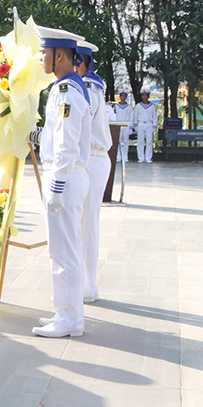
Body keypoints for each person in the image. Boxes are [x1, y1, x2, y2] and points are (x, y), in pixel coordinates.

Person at [33, 26, 90, 338]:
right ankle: (65, 313)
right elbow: (58, 135)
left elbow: (68, 145)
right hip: (64, 176)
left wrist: (56, 187)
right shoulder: (64, 88)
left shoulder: (67, 91)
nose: (40, 58)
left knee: (64, 252)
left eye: (44, 52)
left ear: (59, 56)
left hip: (64, 178)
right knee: (63, 251)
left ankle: (69, 320)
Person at [76, 39, 107, 305]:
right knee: (82, 223)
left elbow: (78, 125)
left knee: (87, 224)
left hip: (93, 158)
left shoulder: (87, 87)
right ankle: (83, 282)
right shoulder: (89, 85)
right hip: (90, 159)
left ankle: (88, 284)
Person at [133, 89, 157, 163]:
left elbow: (155, 116)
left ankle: (148, 157)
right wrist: (136, 125)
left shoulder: (152, 106)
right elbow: (135, 116)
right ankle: (140, 157)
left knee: (149, 141)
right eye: (143, 95)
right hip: (140, 124)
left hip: (149, 124)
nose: (144, 97)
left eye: (146, 95)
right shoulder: (138, 106)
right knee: (140, 141)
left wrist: (154, 125)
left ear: (148, 96)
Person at [112, 91, 132, 163]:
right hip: (118, 124)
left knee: (126, 141)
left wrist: (130, 127)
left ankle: (125, 157)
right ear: (120, 97)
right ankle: (118, 157)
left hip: (126, 125)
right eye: (122, 96)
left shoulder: (129, 107)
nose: (123, 97)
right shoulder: (116, 106)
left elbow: (131, 117)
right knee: (118, 141)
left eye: (124, 96)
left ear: (126, 97)